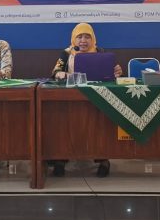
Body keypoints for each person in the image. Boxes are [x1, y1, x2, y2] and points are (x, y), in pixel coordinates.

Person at [49, 23, 122, 178]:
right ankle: (61, 159)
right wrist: (59, 74)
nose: (83, 41)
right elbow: (55, 70)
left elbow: (115, 73)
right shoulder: (66, 53)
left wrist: (118, 71)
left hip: (98, 98)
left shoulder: (101, 52)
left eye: (87, 37)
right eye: (79, 37)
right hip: (71, 98)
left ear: (93, 39)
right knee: (63, 124)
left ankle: (103, 160)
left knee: (100, 125)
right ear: (74, 39)